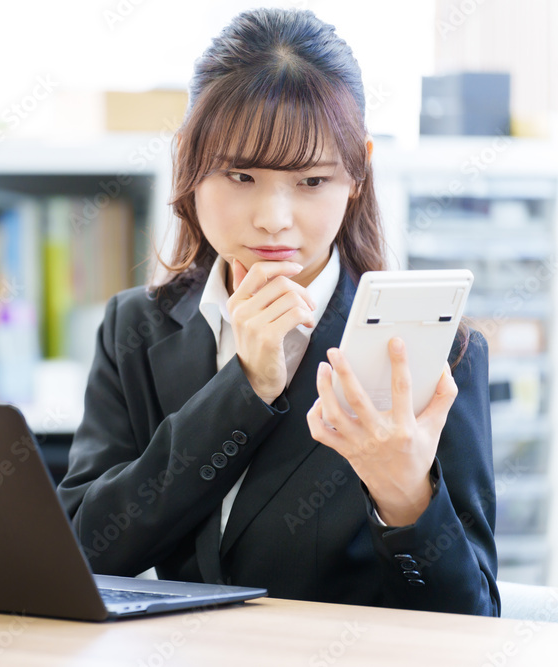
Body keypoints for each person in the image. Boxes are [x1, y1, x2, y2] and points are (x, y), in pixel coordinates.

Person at [56, 7, 498, 616]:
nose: (274, 218)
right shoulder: (137, 328)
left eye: (312, 182)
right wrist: (245, 389)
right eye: (241, 175)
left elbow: (473, 624)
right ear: (187, 157)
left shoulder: (433, 351)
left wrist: (406, 500)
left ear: (358, 173)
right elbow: (82, 553)